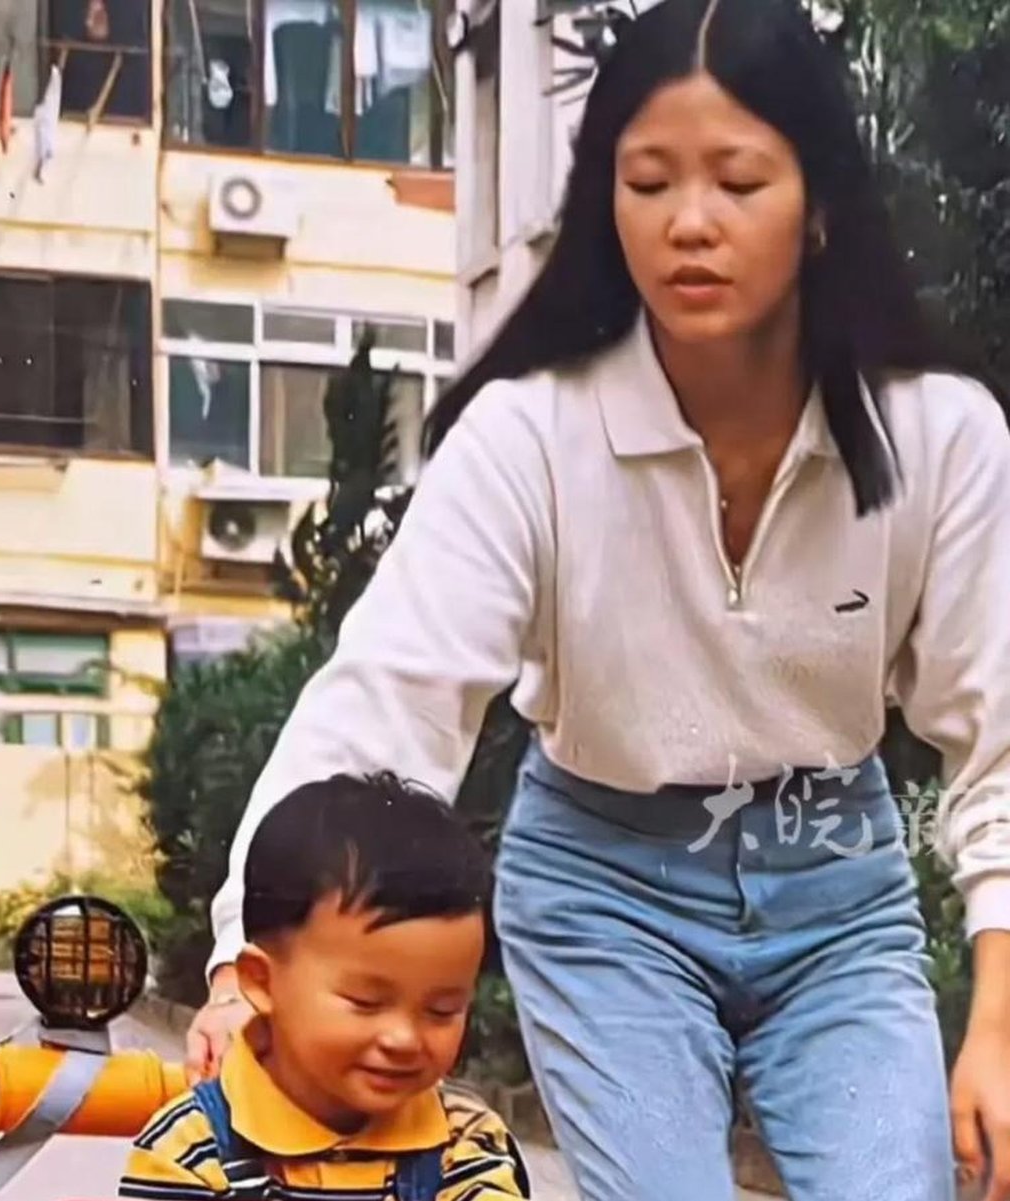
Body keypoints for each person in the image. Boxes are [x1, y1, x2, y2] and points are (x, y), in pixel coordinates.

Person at [187, 1, 1010, 1198]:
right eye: (647, 181)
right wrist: (240, 963)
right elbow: (387, 706)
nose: (689, 222)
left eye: (738, 181)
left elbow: (997, 740)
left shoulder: (939, 438)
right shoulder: (529, 438)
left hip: (837, 883)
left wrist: (997, 1022)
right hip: (604, 890)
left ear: (821, 203)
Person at [121, 773, 528, 1201]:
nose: (404, 1039)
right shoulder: (189, 1153)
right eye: (366, 1002)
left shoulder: (464, 1143)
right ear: (261, 981)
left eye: (442, 1010)